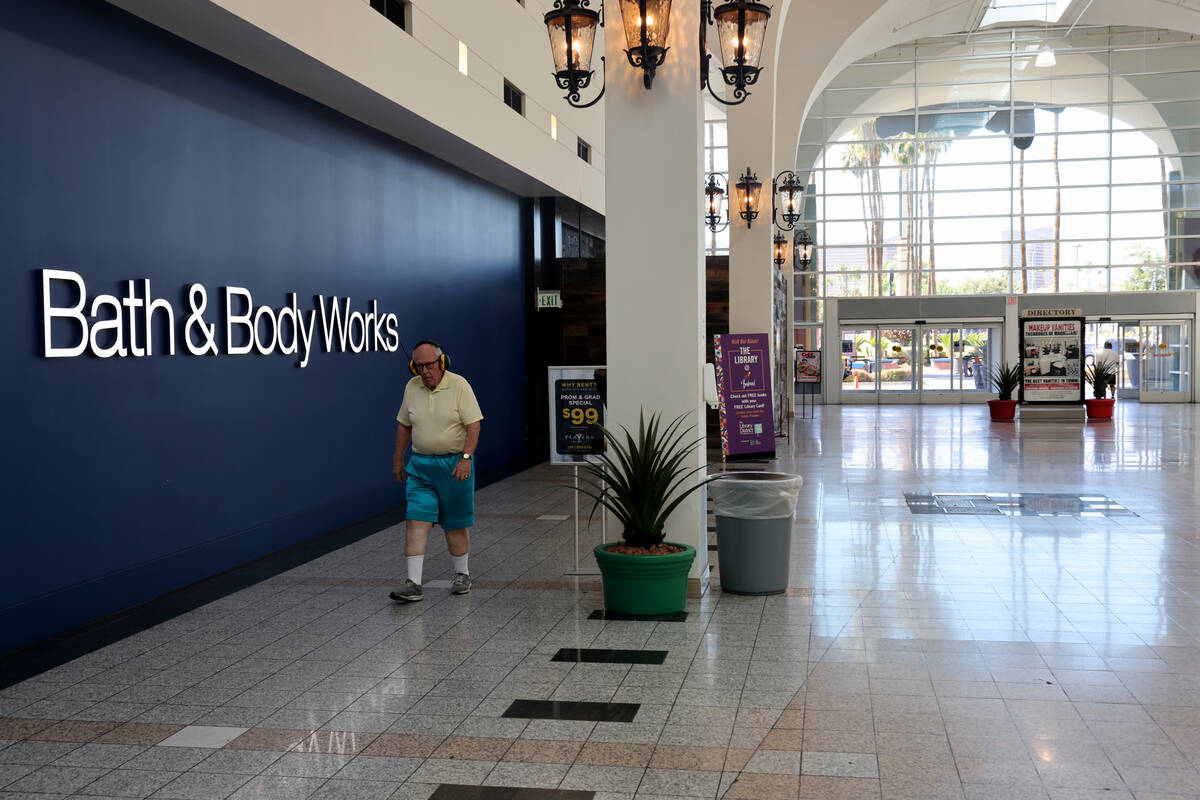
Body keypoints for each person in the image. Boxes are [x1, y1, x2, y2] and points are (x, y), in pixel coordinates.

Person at [390, 340, 483, 603]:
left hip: (454, 465)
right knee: (416, 520)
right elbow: (404, 426)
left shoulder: (459, 385)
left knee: (454, 525)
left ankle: (462, 574)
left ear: (442, 362)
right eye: (418, 366)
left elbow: (474, 425)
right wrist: (398, 459)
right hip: (420, 466)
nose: (424, 371)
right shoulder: (412, 387)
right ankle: (413, 583)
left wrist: (466, 458)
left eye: (430, 365)